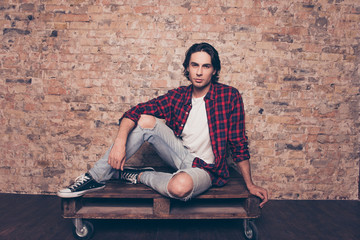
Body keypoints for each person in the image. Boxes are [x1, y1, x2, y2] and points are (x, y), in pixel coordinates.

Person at [57, 42, 268, 208]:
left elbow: (238, 142)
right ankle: (94, 177)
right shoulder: (178, 97)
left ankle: (138, 175)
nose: (199, 72)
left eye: (206, 66)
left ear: (214, 70)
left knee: (179, 187)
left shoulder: (229, 96)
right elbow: (134, 112)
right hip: (181, 155)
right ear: (187, 68)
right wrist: (120, 143)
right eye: (194, 65)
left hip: (207, 169)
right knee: (145, 120)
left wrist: (249, 184)